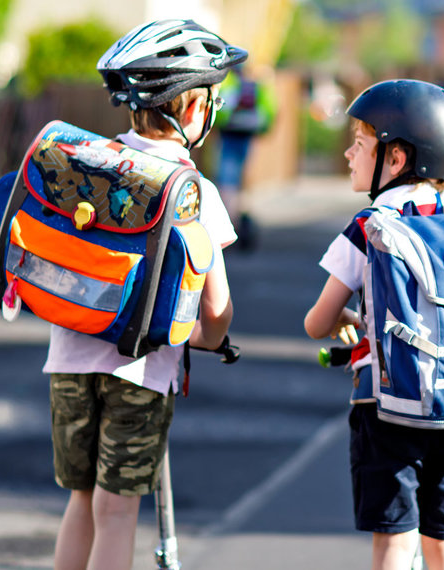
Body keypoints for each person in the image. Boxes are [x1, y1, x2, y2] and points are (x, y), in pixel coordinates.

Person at [47, 19, 243, 570]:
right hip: (142, 371)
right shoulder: (193, 191)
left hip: (68, 359)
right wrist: (206, 339)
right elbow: (216, 308)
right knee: (117, 513)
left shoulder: (88, 164)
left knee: (81, 499)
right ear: (190, 109)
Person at [303, 79, 444, 570]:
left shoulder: (369, 227)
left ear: (395, 158)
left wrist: (345, 317)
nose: (347, 153)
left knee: (396, 542)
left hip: (387, 403)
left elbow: (317, 322)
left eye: (359, 144)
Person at [213, 66, 276, 251]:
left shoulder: (228, 84)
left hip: (229, 133)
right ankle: (242, 218)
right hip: (248, 134)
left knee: (227, 180)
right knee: (241, 179)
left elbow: (220, 110)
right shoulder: (257, 85)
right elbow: (269, 111)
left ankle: (230, 225)